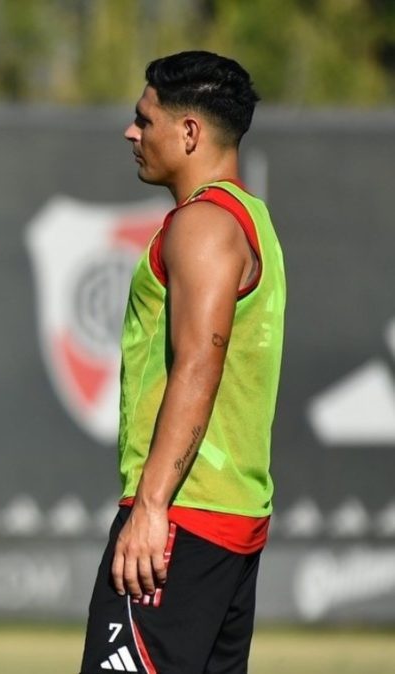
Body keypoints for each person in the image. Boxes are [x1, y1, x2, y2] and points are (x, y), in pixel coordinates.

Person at [79, 51, 285, 673]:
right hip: (227, 527)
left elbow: (199, 362)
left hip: (181, 522)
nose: (131, 132)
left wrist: (150, 508)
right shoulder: (252, 220)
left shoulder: (203, 225)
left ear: (190, 131)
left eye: (145, 119)